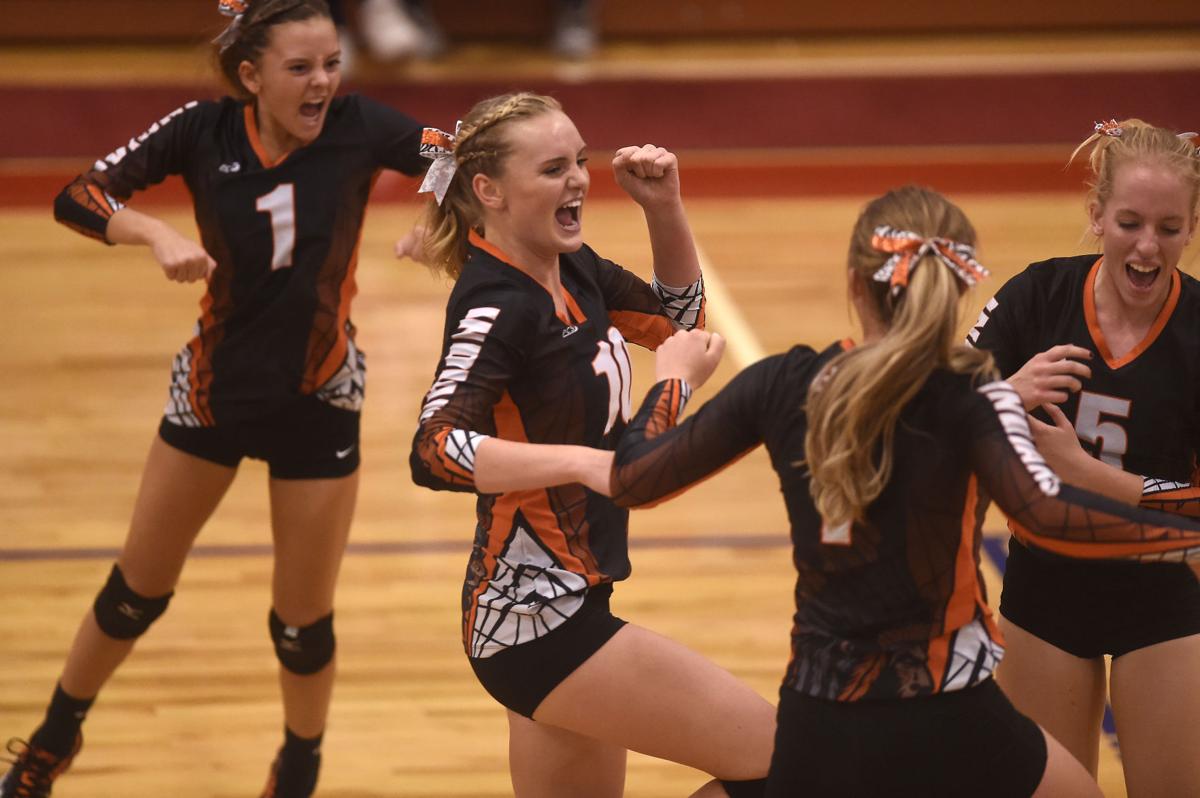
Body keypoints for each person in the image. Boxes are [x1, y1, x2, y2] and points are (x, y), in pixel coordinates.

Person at [605, 184, 1200, 796]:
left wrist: (673, 381)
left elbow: (634, 478)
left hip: (823, 712)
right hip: (952, 713)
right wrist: (1184, 540)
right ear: (954, 294)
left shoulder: (782, 382)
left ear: (855, 285)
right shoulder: (976, 400)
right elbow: (1049, 517)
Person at [1, 2, 427, 797]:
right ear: (251, 76)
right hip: (213, 391)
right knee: (135, 595)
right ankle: (50, 746)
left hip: (320, 394)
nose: (322, 83)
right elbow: (80, 194)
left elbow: (470, 159)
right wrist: (154, 233)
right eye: (300, 68)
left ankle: (296, 772)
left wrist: (440, 220)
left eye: (332, 64)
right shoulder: (203, 130)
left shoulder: (361, 124)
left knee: (301, 626)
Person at [405, 91, 774, 797]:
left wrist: (663, 208)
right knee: (789, 764)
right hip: (535, 621)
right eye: (552, 169)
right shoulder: (496, 304)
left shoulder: (570, 266)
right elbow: (435, 448)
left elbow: (680, 325)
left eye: (578, 160)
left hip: (568, 602)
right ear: (489, 191)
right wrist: (603, 445)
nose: (578, 179)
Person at [968, 118, 1200, 795]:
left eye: (1169, 227)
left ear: (1192, 227)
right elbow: (929, 424)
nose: (1148, 246)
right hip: (1045, 588)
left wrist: (1087, 475)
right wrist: (1002, 395)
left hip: (1163, 593)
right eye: (1129, 222)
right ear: (1097, 215)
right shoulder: (1034, 298)